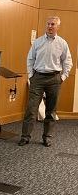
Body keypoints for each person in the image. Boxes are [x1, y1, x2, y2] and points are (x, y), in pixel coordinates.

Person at [18, 16, 72, 147]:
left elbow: (67, 61)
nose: (50, 26)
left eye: (53, 24)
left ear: (57, 27)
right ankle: (25, 137)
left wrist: (63, 77)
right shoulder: (37, 42)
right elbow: (30, 59)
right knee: (31, 109)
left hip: (54, 79)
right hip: (38, 78)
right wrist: (31, 76)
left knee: (51, 110)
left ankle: (47, 137)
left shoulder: (62, 43)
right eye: (48, 24)